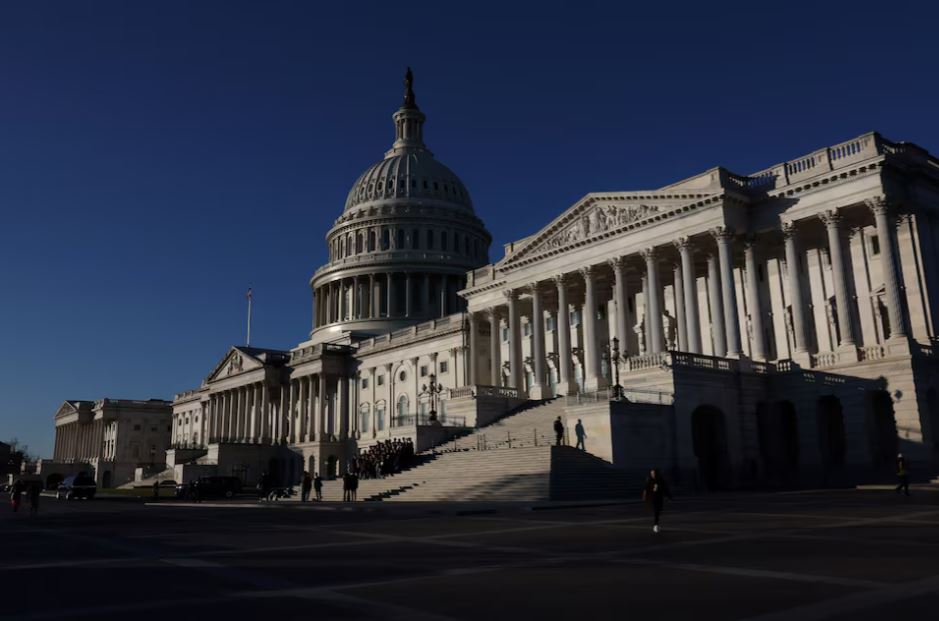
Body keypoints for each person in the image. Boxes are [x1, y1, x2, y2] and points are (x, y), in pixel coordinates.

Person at [642, 467, 672, 533]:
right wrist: (645, 496)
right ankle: (655, 525)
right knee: (656, 511)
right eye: (651, 473)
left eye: (654, 473)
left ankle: (656, 524)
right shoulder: (649, 479)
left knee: (659, 510)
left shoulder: (660, 480)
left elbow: (665, 488)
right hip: (653, 497)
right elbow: (646, 488)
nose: (653, 475)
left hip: (659, 497)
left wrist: (669, 496)